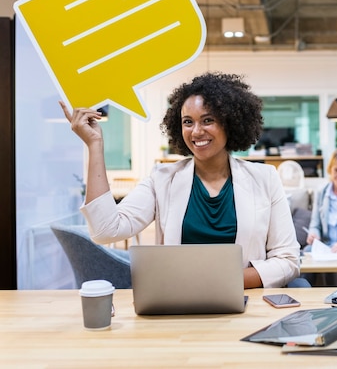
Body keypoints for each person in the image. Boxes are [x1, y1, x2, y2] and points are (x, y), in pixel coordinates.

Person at [60, 72, 301, 289]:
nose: (196, 131)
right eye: (188, 122)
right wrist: (94, 145)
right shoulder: (162, 179)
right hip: (180, 303)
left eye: (208, 120)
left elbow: (288, 260)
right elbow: (105, 230)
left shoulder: (264, 178)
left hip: (244, 302)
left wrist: (223, 281)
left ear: (230, 123)